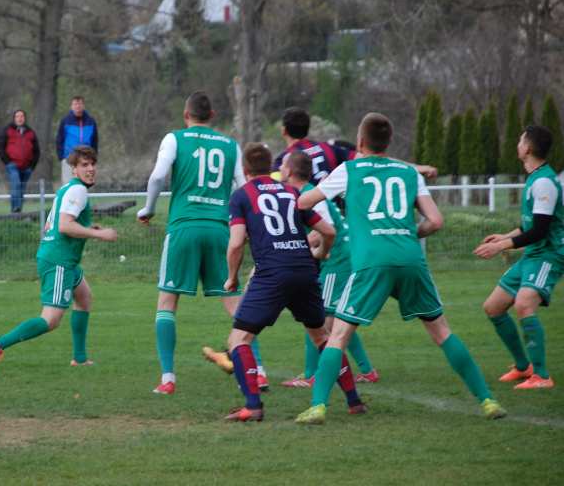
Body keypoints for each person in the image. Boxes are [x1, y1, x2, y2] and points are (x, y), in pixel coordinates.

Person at [294, 112, 505, 424]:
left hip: (371, 262)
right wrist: (408, 234)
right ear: (389, 142)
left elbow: (304, 202)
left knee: (337, 335)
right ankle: (488, 400)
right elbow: (435, 221)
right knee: (442, 332)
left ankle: (318, 406)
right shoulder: (408, 172)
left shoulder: (349, 169)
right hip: (409, 258)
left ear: (361, 141)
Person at [213, 144, 367, 422]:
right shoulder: (292, 191)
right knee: (322, 336)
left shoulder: (241, 196)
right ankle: (354, 401)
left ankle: (253, 406)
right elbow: (328, 231)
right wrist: (319, 254)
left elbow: (235, 244)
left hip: (272, 272)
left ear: (245, 170)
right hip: (304, 270)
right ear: (270, 167)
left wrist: (232, 277)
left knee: (238, 339)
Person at [137, 91, 270, 395]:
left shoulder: (175, 138)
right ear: (212, 116)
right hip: (220, 230)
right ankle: (258, 371)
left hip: (184, 227)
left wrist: (149, 208)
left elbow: (158, 177)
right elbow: (244, 186)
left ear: (186, 115)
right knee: (236, 304)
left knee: (167, 303)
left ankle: (168, 379)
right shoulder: (229, 145)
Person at [0, 146, 117, 372]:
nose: (91, 169)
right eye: (84, 165)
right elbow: (64, 226)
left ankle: (80, 358)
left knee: (84, 298)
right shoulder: (78, 191)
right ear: (74, 169)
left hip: (63, 259)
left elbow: (55, 223)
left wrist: (87, 227)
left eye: (93, 164)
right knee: (51, 320)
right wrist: (99, 234)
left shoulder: (68, 189)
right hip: (59, 261)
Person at [279, 151, 378, 388]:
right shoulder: (306, 192)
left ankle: (312, 375)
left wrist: (302, 251)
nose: (280, 168)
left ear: (290, 171)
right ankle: (367, 370)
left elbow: (326, 229)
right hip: (340, 259)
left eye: (283, 165)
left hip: (338, 260)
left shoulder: (308, 195)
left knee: (315, 316)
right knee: (338, 319)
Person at [474, 125, 562, 389]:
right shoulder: (535, 178)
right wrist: (504, 237)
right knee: (493, 307)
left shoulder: (545, 181)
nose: (517, 144)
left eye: (520, 140)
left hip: (549, 255)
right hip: (534, 253)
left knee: (524, 304)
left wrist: (503, 247)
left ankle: (542, 376)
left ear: (528, 148)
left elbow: (540, 230)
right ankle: (524, 367)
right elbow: (529, 225)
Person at [271, 108, 438, 184]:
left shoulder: (283, 160)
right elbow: (374, 159)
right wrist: (417, 167)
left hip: (307, 222)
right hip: (336, 220)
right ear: (307, 128)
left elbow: (275, 187)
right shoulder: (328, 149)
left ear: (283, 130)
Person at [0, 109, 40, 213]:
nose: (20, 118)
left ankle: (18, 212)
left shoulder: (31, 132)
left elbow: (37, 151)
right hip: (12, 166)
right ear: (14, 118)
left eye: (22, 116)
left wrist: (31, 166)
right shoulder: (7, 130)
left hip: (26, 167)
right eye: (17, 116)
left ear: (24, 118)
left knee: (22, 189)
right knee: (16, 185)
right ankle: (15, 209)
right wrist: (8, 162)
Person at [56, 96, 98, 184]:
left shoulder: (91, 121)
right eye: (75, 104)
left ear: (83, 106)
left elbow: (95, 140)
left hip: (86, 159)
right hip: (69, 158)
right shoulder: (65, 121)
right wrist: (61, 157)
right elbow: (59, 140)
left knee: (84, 183)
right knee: (68, 183)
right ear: (71, 106)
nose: (78, 106)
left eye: (80, 104)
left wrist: (94, 157)